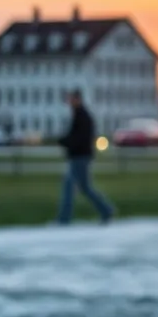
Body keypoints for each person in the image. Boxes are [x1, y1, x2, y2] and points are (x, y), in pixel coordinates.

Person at [56, 89, 115, 225]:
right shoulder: (79, 115)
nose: (69, 102)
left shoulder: (82, 116)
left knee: (70, 185)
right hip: (80, 156)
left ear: (78, 99)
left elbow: (79, 138)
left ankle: (64, 218)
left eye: (71, 99)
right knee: (85, 187)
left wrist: (66, 142)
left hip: (80, 157)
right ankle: (106, 210)